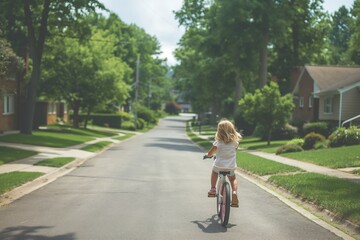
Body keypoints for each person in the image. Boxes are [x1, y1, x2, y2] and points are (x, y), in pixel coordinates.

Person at [203, 119, 242, 208]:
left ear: (219, 131)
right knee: (232, 179)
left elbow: (210, 153)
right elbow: (233, 151)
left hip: (219, 165)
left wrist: (207, 155)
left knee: (214, 172)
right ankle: (234, 192)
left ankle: (213, 189)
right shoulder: (235, 143)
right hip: (230, 166)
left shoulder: (218, 143)